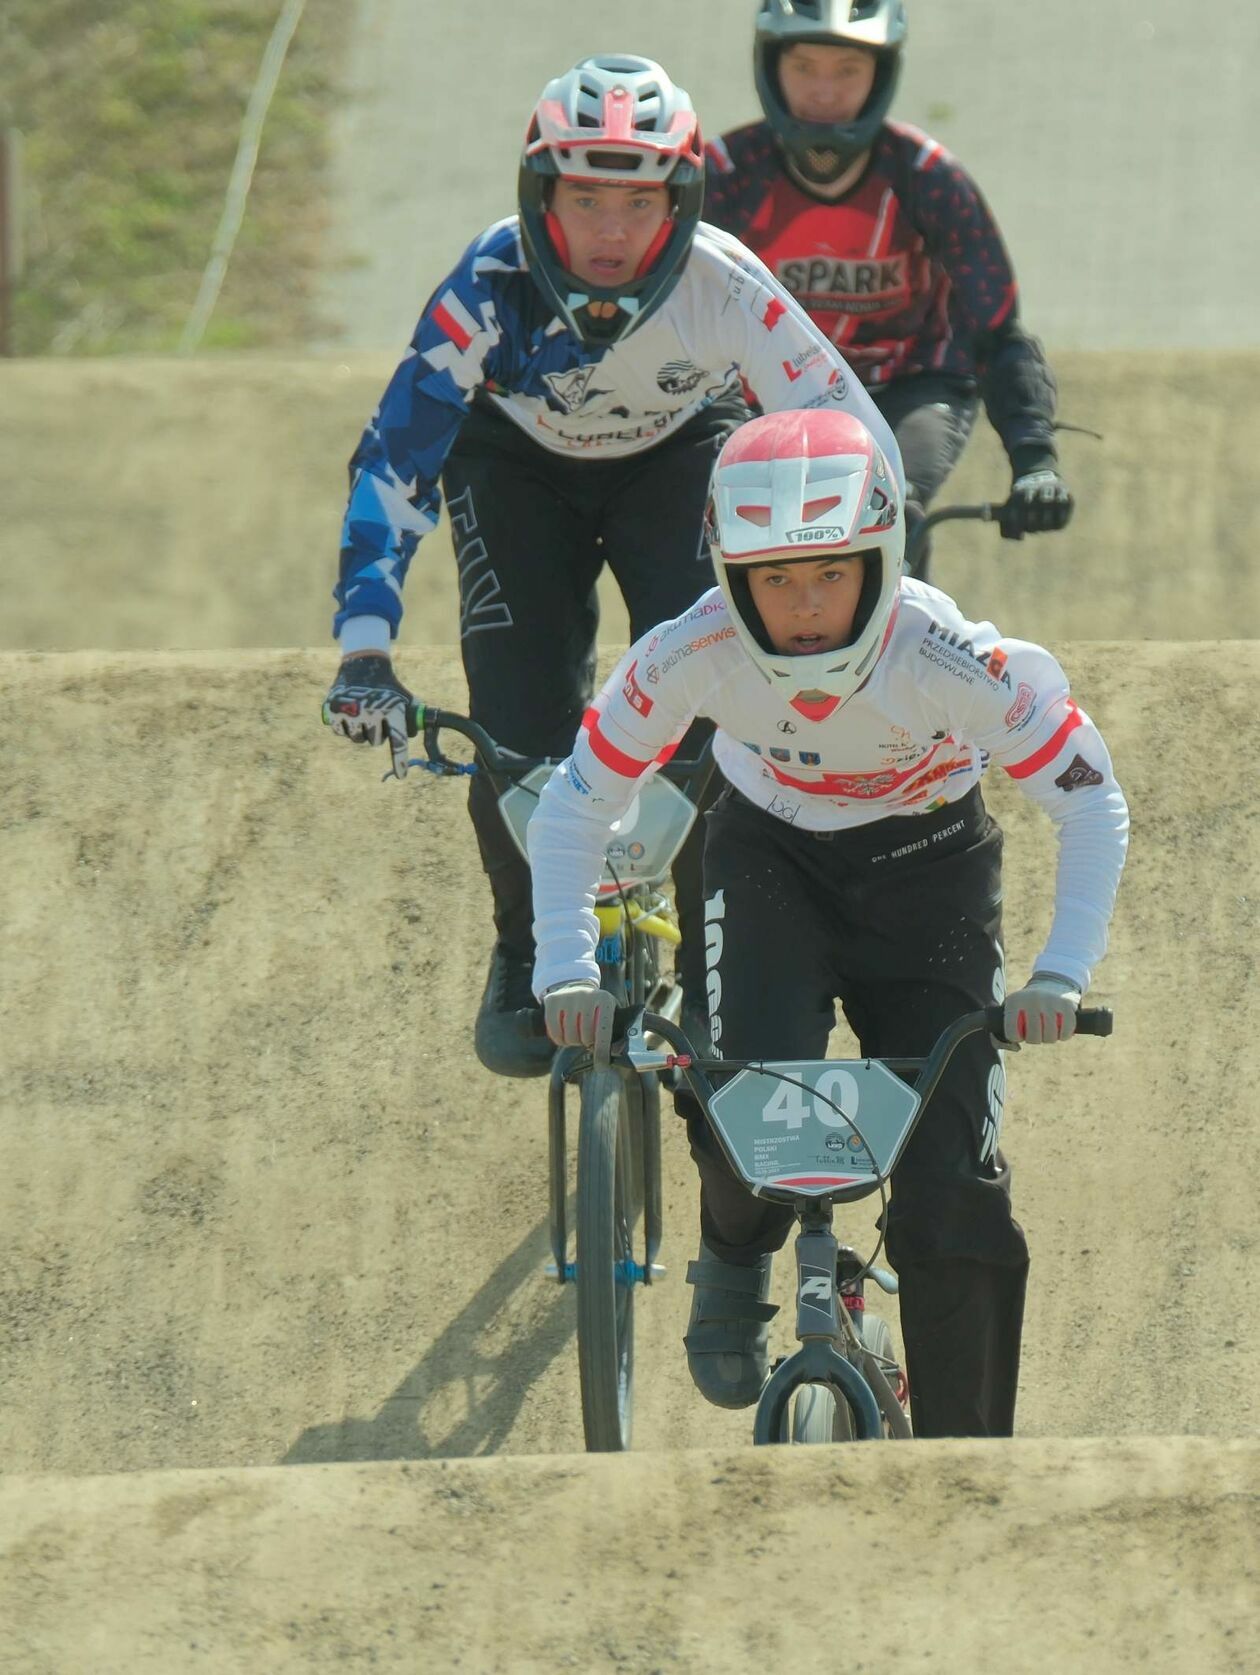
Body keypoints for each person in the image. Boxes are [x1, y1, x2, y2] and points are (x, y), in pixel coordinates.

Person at [527, 407, 1127, 1438]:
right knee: (746, 1105)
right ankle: (733, 1260)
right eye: (774, 580)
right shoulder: (690, 651)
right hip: (769, 857)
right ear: (732, 578)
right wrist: (565, 970)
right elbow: (579, 800)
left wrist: (1060, 976)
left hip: (932, 871)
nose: (803, 608)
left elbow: (1090, 795)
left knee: (955, 1194)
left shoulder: (948, 654)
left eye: (829, 575)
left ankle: (968, 1467)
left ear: (880, 558)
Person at [322, 52, 904, 1080]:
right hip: (514, 470)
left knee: (720, 694)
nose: (608, 231)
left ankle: (719, 952)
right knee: (515, 718)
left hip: (679, 457)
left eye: (637, 202)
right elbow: (393, 463)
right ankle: (523, 951)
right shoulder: (487, 284)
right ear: (538, 196)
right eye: (582, 198)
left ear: (680, 201)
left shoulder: (725, 281)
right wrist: (366, 649)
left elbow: (855, 433)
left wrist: (878, 601)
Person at [703, 0, 1072, 579]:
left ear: (882, 75)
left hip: (909, 387)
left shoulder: (929, 178)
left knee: (884, 512)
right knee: (734, 524)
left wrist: (1035, 463)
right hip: (763, 392)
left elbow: (996, 330)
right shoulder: (721, 177)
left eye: (847, 71)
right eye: (804, 68)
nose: (824, 92)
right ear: (770, 68)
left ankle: (898, 656)